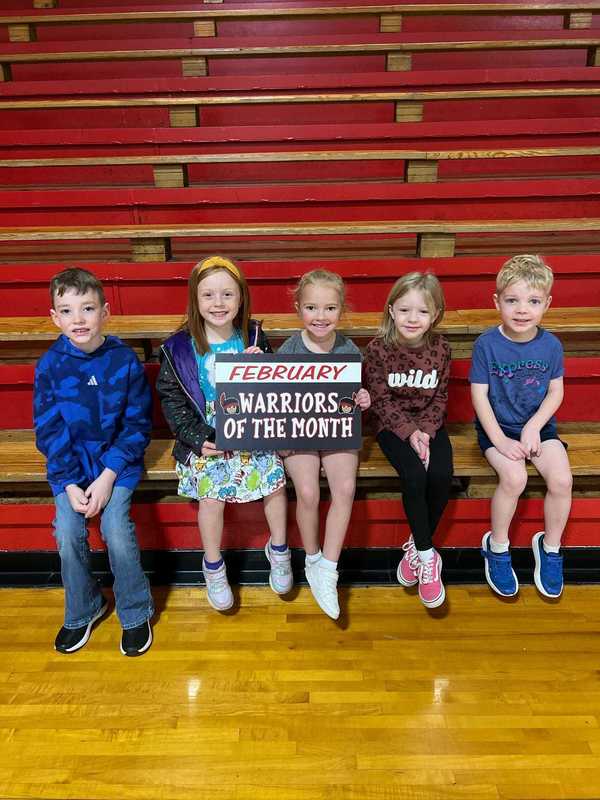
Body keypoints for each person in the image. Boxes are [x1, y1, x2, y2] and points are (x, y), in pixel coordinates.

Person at [156, 255, 290, 612]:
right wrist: (197, 437)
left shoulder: (254, 336)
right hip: (206, 433)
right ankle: (213, 565)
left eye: (227, 295)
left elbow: (276, 391)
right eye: (209, 296)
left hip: (250, 428)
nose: (219, 304)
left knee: (275, 483)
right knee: (211, 498)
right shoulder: (179, 348)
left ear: (241, 298)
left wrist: (262, 367)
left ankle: (279, 548)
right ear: (195, 301)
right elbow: (172, 401)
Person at [33, 268, 154, 656]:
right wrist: (69, 482)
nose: (78, 319)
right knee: (68, 534)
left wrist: (107, 475)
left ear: (104, 311)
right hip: (69, 470)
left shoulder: (123, 360)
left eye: (87, 309)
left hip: (116, 467)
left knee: (116, 529)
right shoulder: (50, 365)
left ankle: (136, 613)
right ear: (55, 318)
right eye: (67, 311)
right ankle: (84, 609)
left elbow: (137, 425)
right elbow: (48, 430)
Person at [470, 254, 572, 599]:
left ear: (547, 304)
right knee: (515, 477)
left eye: (533, 301)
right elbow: (480, 397)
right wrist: (499, 440)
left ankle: (551, 548)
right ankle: (497, 547)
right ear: (497, 302)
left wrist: (534, 427)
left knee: (561, 479)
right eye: (512, 300)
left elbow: (556, 392)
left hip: (538, 428)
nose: (522, 309)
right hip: (496, 428)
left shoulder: (551, 345)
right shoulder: (487, 343)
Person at [278, 269, 371, 620]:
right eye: (312, 308)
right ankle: (312, 557)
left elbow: (351, 398)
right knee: (307, 491)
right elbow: (275, 400)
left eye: (330, 308)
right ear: (299, 308)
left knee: (345, 487)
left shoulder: (348, 348)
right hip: (299, 431)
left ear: (341, 309)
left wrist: (362, 398)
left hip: (335, 430)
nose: (321, 317)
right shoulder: (289, 348)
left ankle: (328, 570)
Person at [364, 272, 453, 609]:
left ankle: (416, 546)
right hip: (392, 426)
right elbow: (381, 400)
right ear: (391, 310)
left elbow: (441, 397)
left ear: (436, 315)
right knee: (415, 476)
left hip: (430, 425)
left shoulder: (442, 349)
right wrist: (410, 433)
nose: (412, 319)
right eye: (404, 310)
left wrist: (427, 433)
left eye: (422, 312)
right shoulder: (377, 350)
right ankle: (429, 556)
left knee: (442, 475)